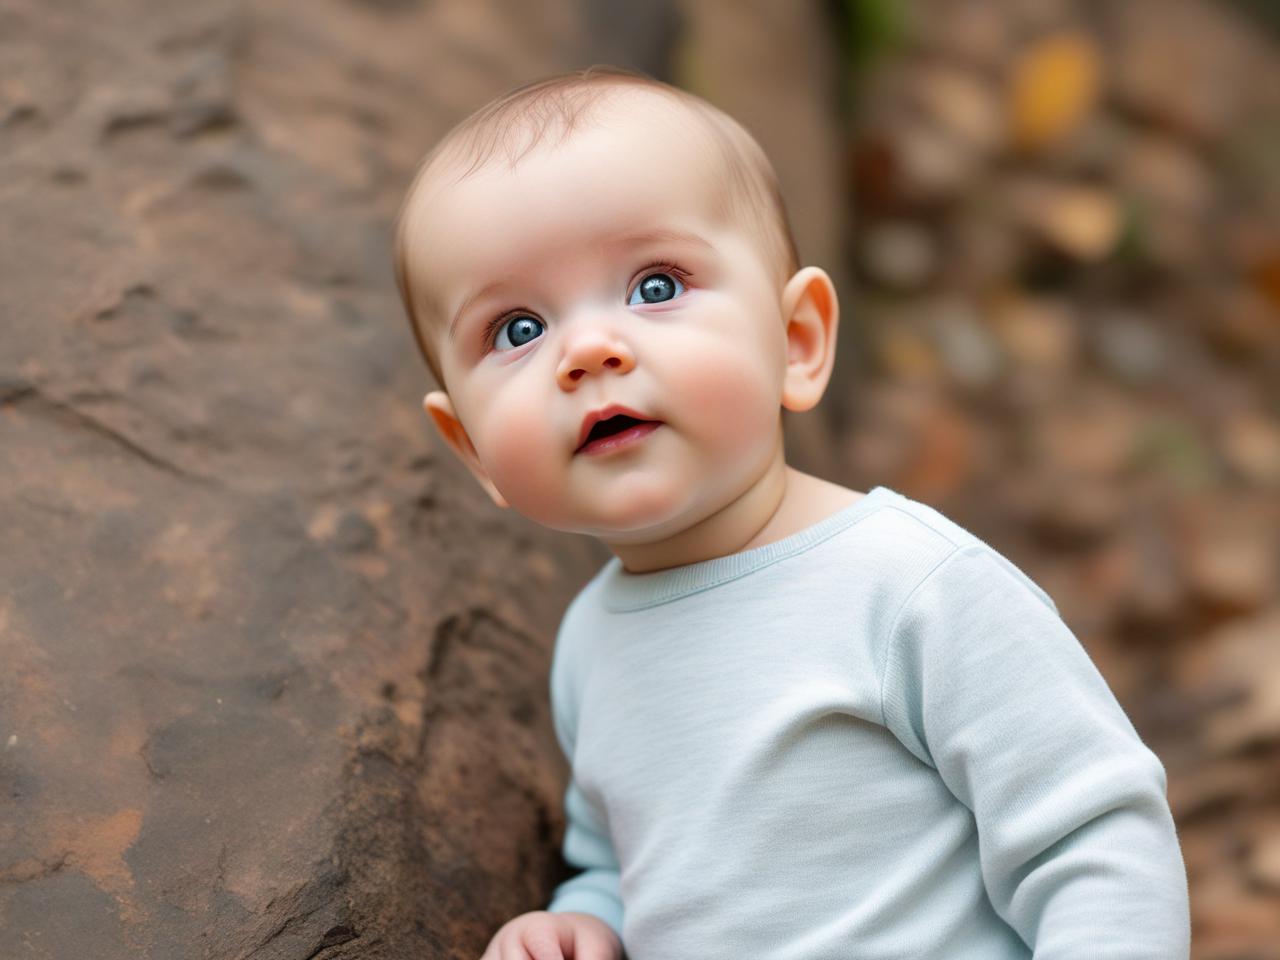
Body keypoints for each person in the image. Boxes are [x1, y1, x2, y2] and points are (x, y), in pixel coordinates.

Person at [392, 66, 1190, 960]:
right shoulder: (589, 645)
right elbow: (629, 864)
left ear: (798, 344)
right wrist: (587, 922)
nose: (587, 350)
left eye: (655, 286)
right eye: (517, 330)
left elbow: (1094, 836)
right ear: (471, 451)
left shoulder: (909, 584)